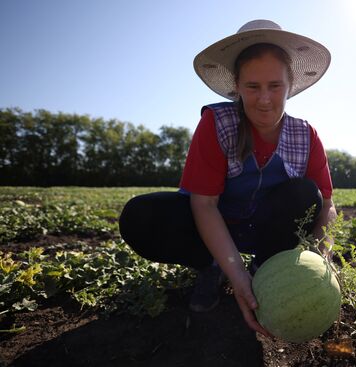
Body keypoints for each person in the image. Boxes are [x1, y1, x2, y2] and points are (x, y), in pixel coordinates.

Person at [118, 19, 336, 337]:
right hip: (216, 225)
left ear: (290, 85)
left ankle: (264, 269)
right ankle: (212, 266)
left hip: (267, 231)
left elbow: (327, 205)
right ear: (237, 85)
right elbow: (204, 205)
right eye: (252, 86)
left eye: (275, 86)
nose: (264, 99)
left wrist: (320, 256)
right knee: (140, 217)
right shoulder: (216, 123)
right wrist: (236, 273)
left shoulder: (306, 135)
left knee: (306, 193)